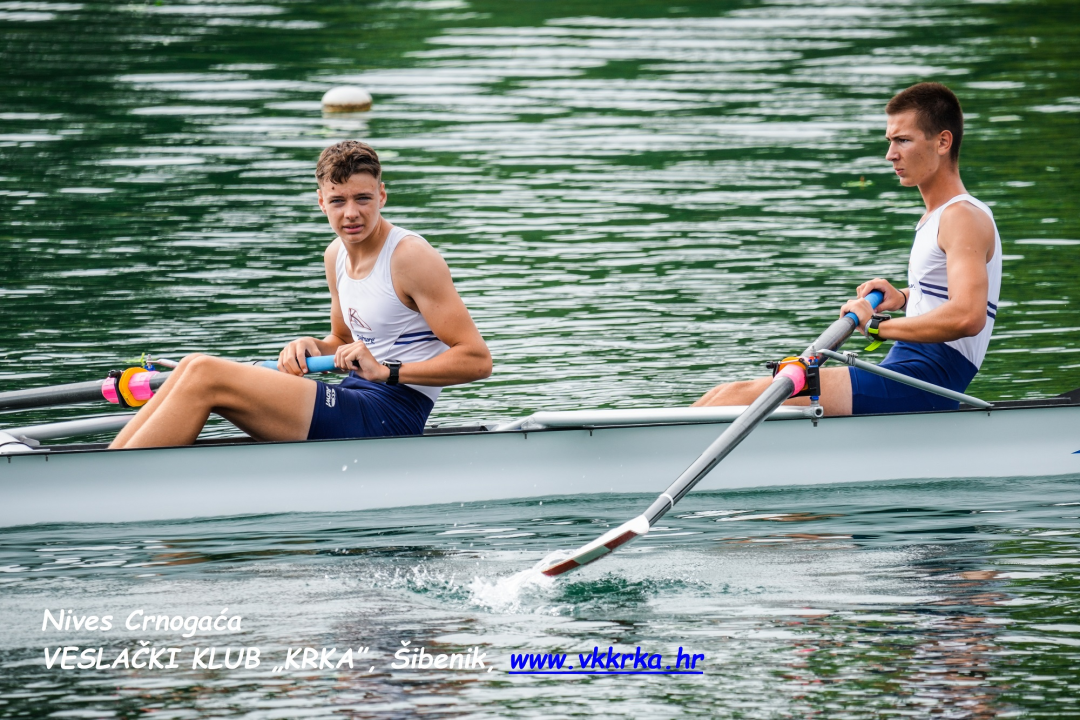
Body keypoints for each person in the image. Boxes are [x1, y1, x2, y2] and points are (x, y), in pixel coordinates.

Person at [110, 141, 491, 448]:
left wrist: (388, 371)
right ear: (321, 202)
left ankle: (112, 481)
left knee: (205, 372)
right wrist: (311, 345)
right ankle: (112, 467)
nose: (351, 213)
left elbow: (477, 360)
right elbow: (342, 341)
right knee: (192, 364)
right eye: (338, 201)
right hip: (353, 396)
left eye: (363, 199)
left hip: (391, 415)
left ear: (382, 196)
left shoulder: (410, 257)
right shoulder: (335, 255)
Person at [695, 82, 1001, 415]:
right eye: (890, 141)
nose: (890, 154)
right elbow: (947, 294)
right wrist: (903, 297)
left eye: (903, 140)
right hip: (908, 368)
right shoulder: (940, 215)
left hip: (926, 381)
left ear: (942, 142)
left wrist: (875, 326)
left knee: (734, 397)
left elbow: (968, 316)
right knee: (720, 394)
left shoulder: (961, 217)